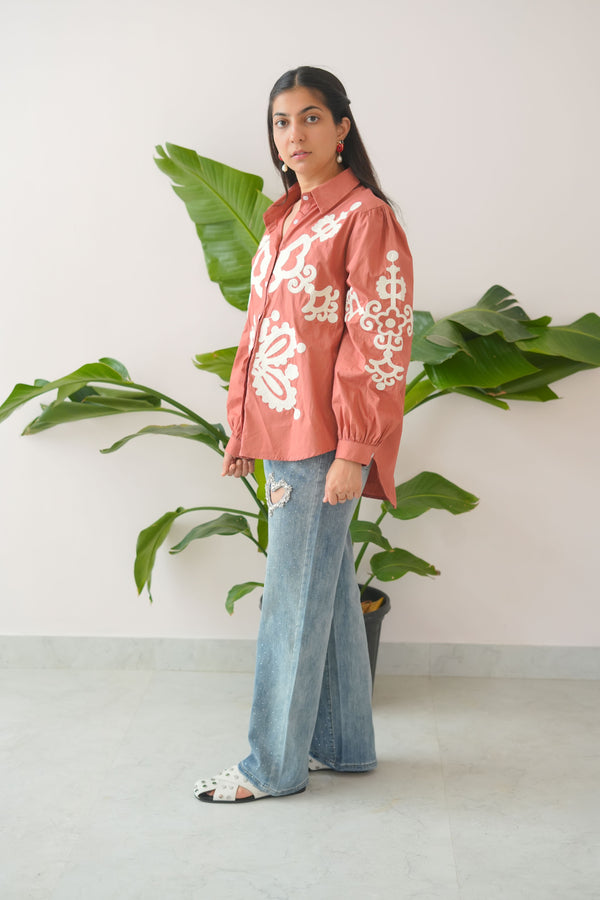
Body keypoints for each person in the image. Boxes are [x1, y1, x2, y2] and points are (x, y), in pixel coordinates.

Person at [194, 66, 413, 803]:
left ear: (343, 127)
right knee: (322, 584)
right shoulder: (286, 219)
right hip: (284, 430)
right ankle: (345, 746)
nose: (295, 135)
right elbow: (260, 333)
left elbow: (375, 341)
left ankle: (272, 767)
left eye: (312, 118)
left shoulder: (363, 216)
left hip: (324, 440)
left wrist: (355, 448)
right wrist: (241, 428)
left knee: (292, 596)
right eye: (283, 122)